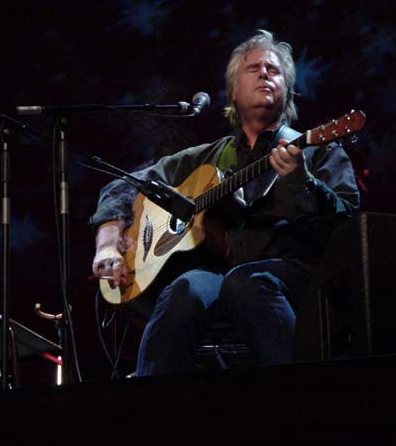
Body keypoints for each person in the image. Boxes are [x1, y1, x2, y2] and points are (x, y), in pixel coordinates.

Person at [89, 30, 360, 376]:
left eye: (274, 70)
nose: (264, 74)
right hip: (222, 272)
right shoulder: (206, 157)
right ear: (233, 91)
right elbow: (123, 185)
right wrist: (108, 245)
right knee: (185, 288)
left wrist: (302, 181)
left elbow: (347, 221)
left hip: (293, 268)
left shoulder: (317, 150)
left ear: (288, 90)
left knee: (247, 282)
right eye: (253, 68)